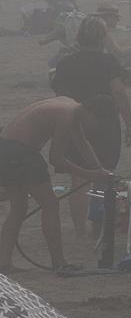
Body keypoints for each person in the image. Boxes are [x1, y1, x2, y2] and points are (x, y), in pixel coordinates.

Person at [0, 96, 114, 271]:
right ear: (91, 112)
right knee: (50, 204)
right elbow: (56, 160)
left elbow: (82, 143)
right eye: (96, 122)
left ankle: (4, 263)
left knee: (18, 207)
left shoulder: (71, 105)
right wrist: (90, 174)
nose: (95, 128)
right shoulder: (67, 116)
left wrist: (100, 169)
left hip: (5, 148)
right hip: (21, 153)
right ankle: (59, 263)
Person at [50, 16, 131, 241]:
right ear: (102, 38)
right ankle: (97, 228)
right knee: (102, 174)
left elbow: (59, 96)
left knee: (78, 177)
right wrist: (130, 124)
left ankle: (80, 231)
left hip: (72, 121)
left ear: (79, 37)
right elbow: (119, 93)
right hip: (105, 124)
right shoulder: (108, 62)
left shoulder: (65, 63)